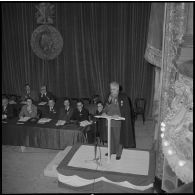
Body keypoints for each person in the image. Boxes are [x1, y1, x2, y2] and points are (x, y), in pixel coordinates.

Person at [103, 81, 136, 160]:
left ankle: (118, 153)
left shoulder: (123, 97)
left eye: (113, 89)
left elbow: (126, 111)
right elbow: (106, 106)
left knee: (118, 138)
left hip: (118, 122)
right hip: (109, 121)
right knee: (110, 138)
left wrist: (119, 115)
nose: (111, 91)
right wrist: (104, 112)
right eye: (111, 89)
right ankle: (111, 151)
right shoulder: (109, 96)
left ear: (117, 89)